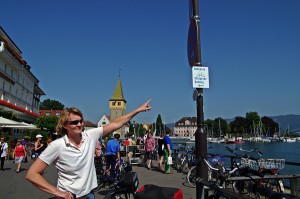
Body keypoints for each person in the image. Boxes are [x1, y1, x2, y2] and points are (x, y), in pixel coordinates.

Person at [26, 100, 151, 199]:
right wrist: (58, 193)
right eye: (74, 122)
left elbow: (115, 124)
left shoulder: (90, 136)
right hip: (69, 196)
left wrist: (138, 110)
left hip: (89, 194)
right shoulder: (57, 145)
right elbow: (32, 174)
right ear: (65, 125)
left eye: (81, 121)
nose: (79, 124)